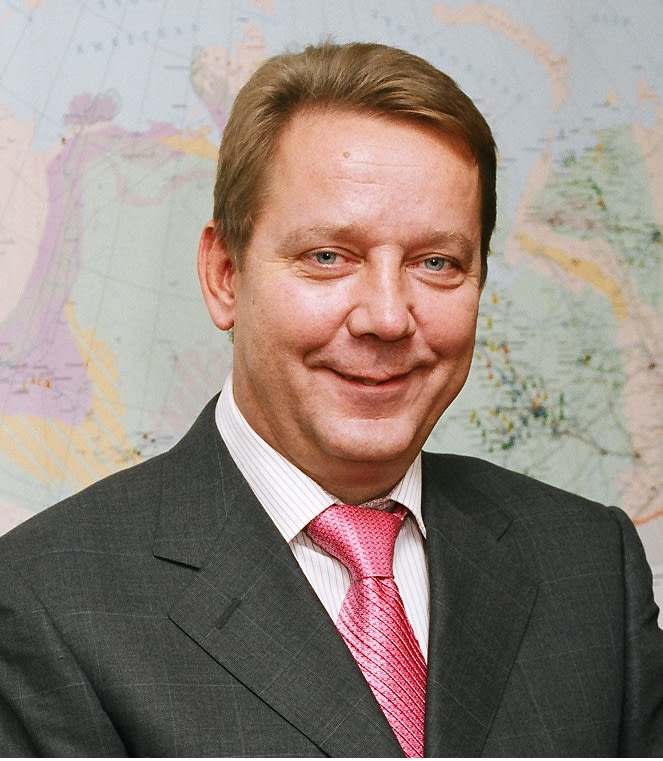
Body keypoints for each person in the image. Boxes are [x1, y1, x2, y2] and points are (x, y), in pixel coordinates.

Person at [0, 41, 662, 758]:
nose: (387, 317)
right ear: (224, 275)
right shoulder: (45, 601)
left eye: (436, 262)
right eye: (328, 257)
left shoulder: (590, 565)